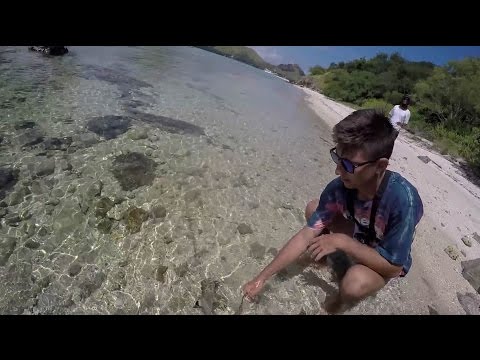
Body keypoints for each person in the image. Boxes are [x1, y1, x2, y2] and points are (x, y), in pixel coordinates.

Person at [242, 109, 424, 313]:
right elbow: (305, 236)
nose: (338, 171)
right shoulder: (339, 188)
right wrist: (261, 278)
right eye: (337, 159)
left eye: (347, 164)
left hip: (381, 254)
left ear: (380, 166)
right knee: (314, 209)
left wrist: (343, 242)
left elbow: (394, 267)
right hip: (359, 230)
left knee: (353, 284)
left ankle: (339, 301)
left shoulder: (403, 200)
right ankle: (324, 258)